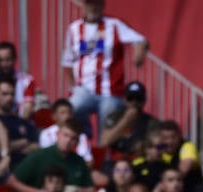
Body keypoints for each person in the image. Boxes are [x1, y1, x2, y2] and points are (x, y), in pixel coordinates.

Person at [61, 0, 148, 141]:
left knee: (109, 125)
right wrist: (73, 88)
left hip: (110, 91)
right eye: (89, 3)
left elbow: (140, 39)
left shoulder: (114, 25)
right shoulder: (74, 29)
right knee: (70, 109)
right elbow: (67, 61)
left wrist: (139, 51)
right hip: (84, 89)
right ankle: (84, 139)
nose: (93, 7)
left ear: (102, 5)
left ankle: (104, 156)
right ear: (83, 5)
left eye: (97, 3)